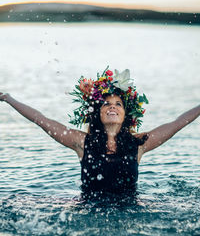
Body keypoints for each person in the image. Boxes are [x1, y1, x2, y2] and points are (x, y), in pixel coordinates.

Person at [0, 68, 199, 196]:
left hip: (129, 214)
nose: (112, 107)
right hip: (89, 212)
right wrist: (8, 98)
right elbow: (41, 119)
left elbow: (178, 123)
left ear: (125, 114)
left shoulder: (139, 143)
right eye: (106, 104)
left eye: (118, 104)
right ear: (98, 112)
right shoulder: (81, 142)